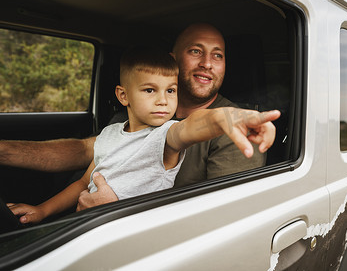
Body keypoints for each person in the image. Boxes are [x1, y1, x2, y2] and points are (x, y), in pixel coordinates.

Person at [0, 23, 270, 209]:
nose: (207, 63)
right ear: (173, 59)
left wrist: (117, 211)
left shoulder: (235, 130)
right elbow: (87, 151)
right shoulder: (138, 113)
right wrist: (5, 151)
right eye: (196, 51)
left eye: (218, 55)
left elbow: (224, 219)